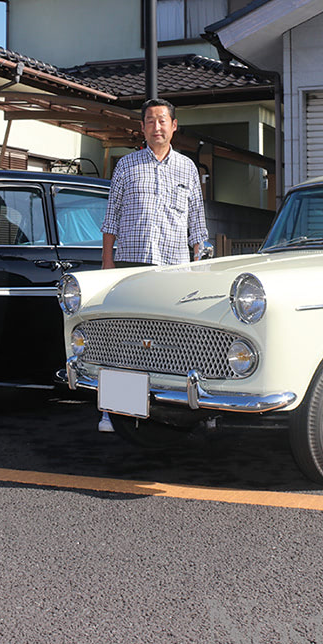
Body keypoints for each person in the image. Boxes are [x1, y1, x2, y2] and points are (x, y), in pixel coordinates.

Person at [97, 98, 210, 432]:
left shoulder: (188, 168)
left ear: (174, 126)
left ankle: (171, 406)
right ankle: (113, 410)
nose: (156, 127)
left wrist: (199, 262)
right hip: (131, 262)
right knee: (125, 337)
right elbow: (111, 216)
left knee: (172, 338)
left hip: (174, 268)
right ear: (142, 128)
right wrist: (107, 260)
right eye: (150, 121)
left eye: (162, 121)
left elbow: (197, 224)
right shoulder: (126, 165)